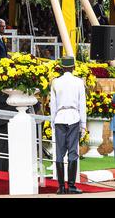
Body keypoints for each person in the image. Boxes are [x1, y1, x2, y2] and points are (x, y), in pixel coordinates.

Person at [50, 56, 86, 195]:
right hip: (73, 117)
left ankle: (61, 187)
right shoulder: (78, 82)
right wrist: (83, 124)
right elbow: (82, 104)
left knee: (59, 153)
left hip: (60, 117)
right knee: (73, 152)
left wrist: (53, 121)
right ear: (73, 67)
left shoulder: (55, 82)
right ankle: (71, 185)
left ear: (62, 67)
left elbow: (53, 105)